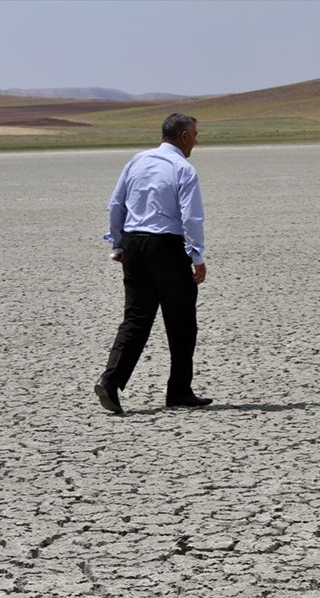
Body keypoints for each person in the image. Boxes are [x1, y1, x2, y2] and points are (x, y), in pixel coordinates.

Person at [94, 112, 213, 414]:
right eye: (195, 135)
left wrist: (118, 243)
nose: (196, 141)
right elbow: (191, 217)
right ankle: (179, 391)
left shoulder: (137, 160)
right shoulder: (183, 169)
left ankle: (110, 381)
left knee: (136, 318)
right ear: (184, 136)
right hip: (166, 246)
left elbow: (116, 203)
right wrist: (197, 256)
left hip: (134, 243)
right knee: (182, 320)